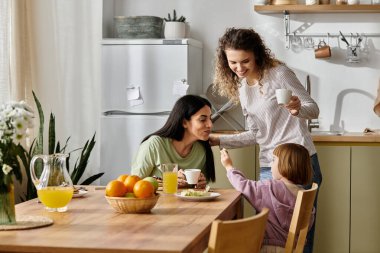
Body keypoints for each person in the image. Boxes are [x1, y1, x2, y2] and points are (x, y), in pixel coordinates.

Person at [209, 27, 322, 253]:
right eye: (233, 63)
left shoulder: (279, 73)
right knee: (269, 237)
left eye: (245, 61)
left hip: (295, 162)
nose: (239, 68)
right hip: (269, 166)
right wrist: (217, 140)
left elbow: (314, 109)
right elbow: (256, 134)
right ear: (225, 61)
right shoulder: (242, 88)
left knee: (299, 239)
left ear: (257, 55)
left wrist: (298, 108)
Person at [220, 143, 315, 252]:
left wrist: (228, 166)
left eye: (274, 160)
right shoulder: (303, 193)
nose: (271, 163)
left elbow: (243, 185)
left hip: (269, 248)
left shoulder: (270, 188)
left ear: (286, 165)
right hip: (293, 248)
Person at [131, 94, 215, 189]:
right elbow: (134, 184)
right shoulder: (154, 145)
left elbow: (195, 190)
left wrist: (200, 184)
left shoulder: (201, 149)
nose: (210, 124)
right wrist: (166, 182)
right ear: (184, 122)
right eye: (202, 119)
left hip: (188, 204)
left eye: (210, 118)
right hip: (158, 203)